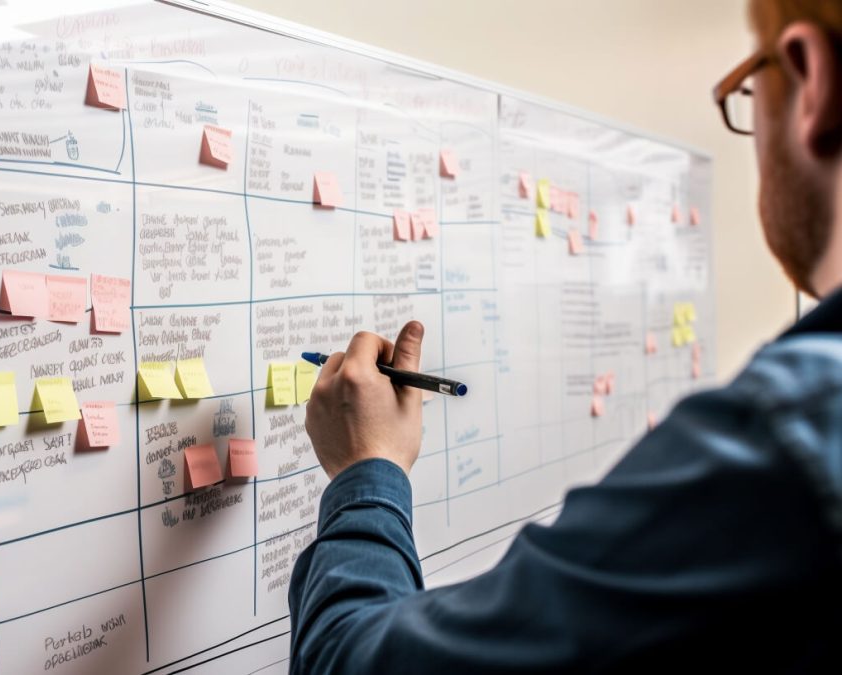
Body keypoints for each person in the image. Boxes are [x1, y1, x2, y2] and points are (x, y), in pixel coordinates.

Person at [288, 0, 842, 671]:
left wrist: (365, 471)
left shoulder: (781, 445)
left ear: (814, 84)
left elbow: (353, 660)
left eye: (749, 91)